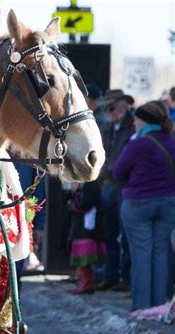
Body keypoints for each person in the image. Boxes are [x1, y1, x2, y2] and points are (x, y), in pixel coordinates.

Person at [113, 101, 175, 319]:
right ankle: (159, 305)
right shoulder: (172, 141)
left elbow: (118, 172)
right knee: (160, 253)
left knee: (141, 253)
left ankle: (141, 306)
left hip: (138, 204)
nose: (135, 123)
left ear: (145, 121)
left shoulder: (137, 144)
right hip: (168, 204)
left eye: (137, 119)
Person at [97, 89, 135, 292]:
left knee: (126, 234)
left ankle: (126, 278)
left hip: (124, 186)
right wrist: (105, 174)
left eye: (110, 107)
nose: (107, 111)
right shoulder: (108, 128)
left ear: (121, 107)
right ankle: (111, 275)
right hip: (109, 186)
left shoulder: (131, 128)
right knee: (109, 233)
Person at [67, 181, 106, 294]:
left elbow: (85, 203)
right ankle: (85, 282)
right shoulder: (86, 183)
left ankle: (87, 283)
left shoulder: (90, 184)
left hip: (87, 227)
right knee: (84, 257)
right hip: (84, 225)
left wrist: (72, 205)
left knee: (85, 256)